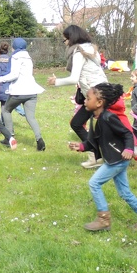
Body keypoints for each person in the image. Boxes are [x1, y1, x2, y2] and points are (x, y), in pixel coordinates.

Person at [68, 83, 137, 231]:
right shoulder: (95, 118)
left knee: (94, 183)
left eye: (88, 98)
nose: (84, 101)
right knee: (124, 192)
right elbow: (94, 140)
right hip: (115, 158)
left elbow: (127, 133)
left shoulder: (109, 117)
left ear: (99, 102)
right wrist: (82, 146)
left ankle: (103, 220)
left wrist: (128, 148)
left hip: (118, 159)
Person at [48, 25, 108, 168]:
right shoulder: (91, 49)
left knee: (103, 126)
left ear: (71, 38)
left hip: (96, 93)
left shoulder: (79, 52)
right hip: (101, 90)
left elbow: (74, 78)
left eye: (65, 40)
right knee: (85, 124)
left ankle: (101, 155)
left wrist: (56, 82)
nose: (65, 44)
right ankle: (97, 155)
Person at [0, 38, 45, 151]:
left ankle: (9, 137)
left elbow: (14, 75)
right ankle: (39, 139)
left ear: (15, 47)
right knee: (30, 117)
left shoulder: (16, 57)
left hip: (19, 91)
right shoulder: (28, 57)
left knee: (6, 110)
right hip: (32, 90)